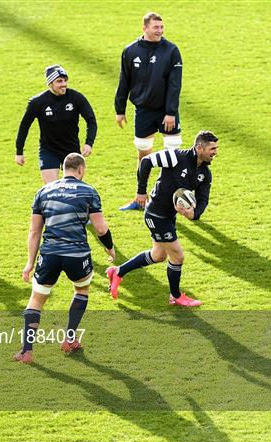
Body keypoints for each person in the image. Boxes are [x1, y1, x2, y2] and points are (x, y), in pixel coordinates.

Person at [14, 153, 115, 364]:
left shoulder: (43, 191)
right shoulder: (89, 191)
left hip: (49, 254)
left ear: (63, 169)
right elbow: (100, 227)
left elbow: (34, 231)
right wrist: (110, 248)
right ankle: (70, 338)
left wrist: (30, 263)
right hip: (77, 255)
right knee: (81, 290)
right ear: (80, 170)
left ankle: (26, 351)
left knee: (37, 298)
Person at [106, 131, 219, 307]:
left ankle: (118, 271)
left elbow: (203, 199)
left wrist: (193, 215)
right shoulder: (175, 157)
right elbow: (146, 162)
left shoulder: (205, 174)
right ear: (199, 148)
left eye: (216, 148)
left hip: (168, 216)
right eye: (212, 148)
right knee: (177, 256)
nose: (215, 152)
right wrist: (141, 191)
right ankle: (175, 296)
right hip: (156, 214)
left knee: (158, 255)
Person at [115, 12, 183, 211]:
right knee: (143, 155)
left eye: (162, 27)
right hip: (143, 110)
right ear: (144, 28)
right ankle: (140, 198)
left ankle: (171, 199)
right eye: (156, 27)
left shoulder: (171, 50)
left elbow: (174, 84)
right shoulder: (130, 51)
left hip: (166, 111)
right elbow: (124, 81)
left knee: (172, 153)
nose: (160, 31)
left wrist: (170, 112)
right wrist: (120, 109)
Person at [15, 65, 97, 184]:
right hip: (49, 150)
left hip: (71, 150)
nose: (63, 84)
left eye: (65, 80)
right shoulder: (38, 102)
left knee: (72, 189)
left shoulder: (76, 98)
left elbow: (91, 120)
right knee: (52, 190)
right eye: (59, 81)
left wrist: (89, 143)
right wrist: (19, 152)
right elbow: (24, 126)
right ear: (50, 83)